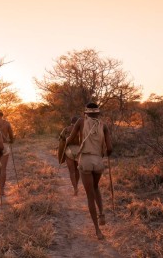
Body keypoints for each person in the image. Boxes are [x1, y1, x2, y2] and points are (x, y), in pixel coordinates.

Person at [66, 103, 112, 240]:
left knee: (89, 195)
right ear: (98, 113)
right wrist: (103, 153)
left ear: (86, 113)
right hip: (98, 161)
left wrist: (65, 142)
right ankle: (102, 213)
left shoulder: (80, 122)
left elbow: (71, 138)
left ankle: (97, 230)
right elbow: (110, 149)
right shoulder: (104, 125)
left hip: (85, 160)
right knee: (96, 187)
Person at [0, 109, 14, 196]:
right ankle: (1, 190)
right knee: (3, 169)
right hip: (4, 146)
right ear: (2, 115)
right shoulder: (7, 123)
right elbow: (11, 136)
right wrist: (11, 141)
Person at [59, 116, 80, 196]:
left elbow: (61, 140)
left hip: (69, 151)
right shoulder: (80, 129)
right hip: (79, 151)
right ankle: (76, 185)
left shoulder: (66, 129)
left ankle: (75, 188)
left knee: (72, 171)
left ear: (71, 121)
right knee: (77, 170)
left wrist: (61, 153)